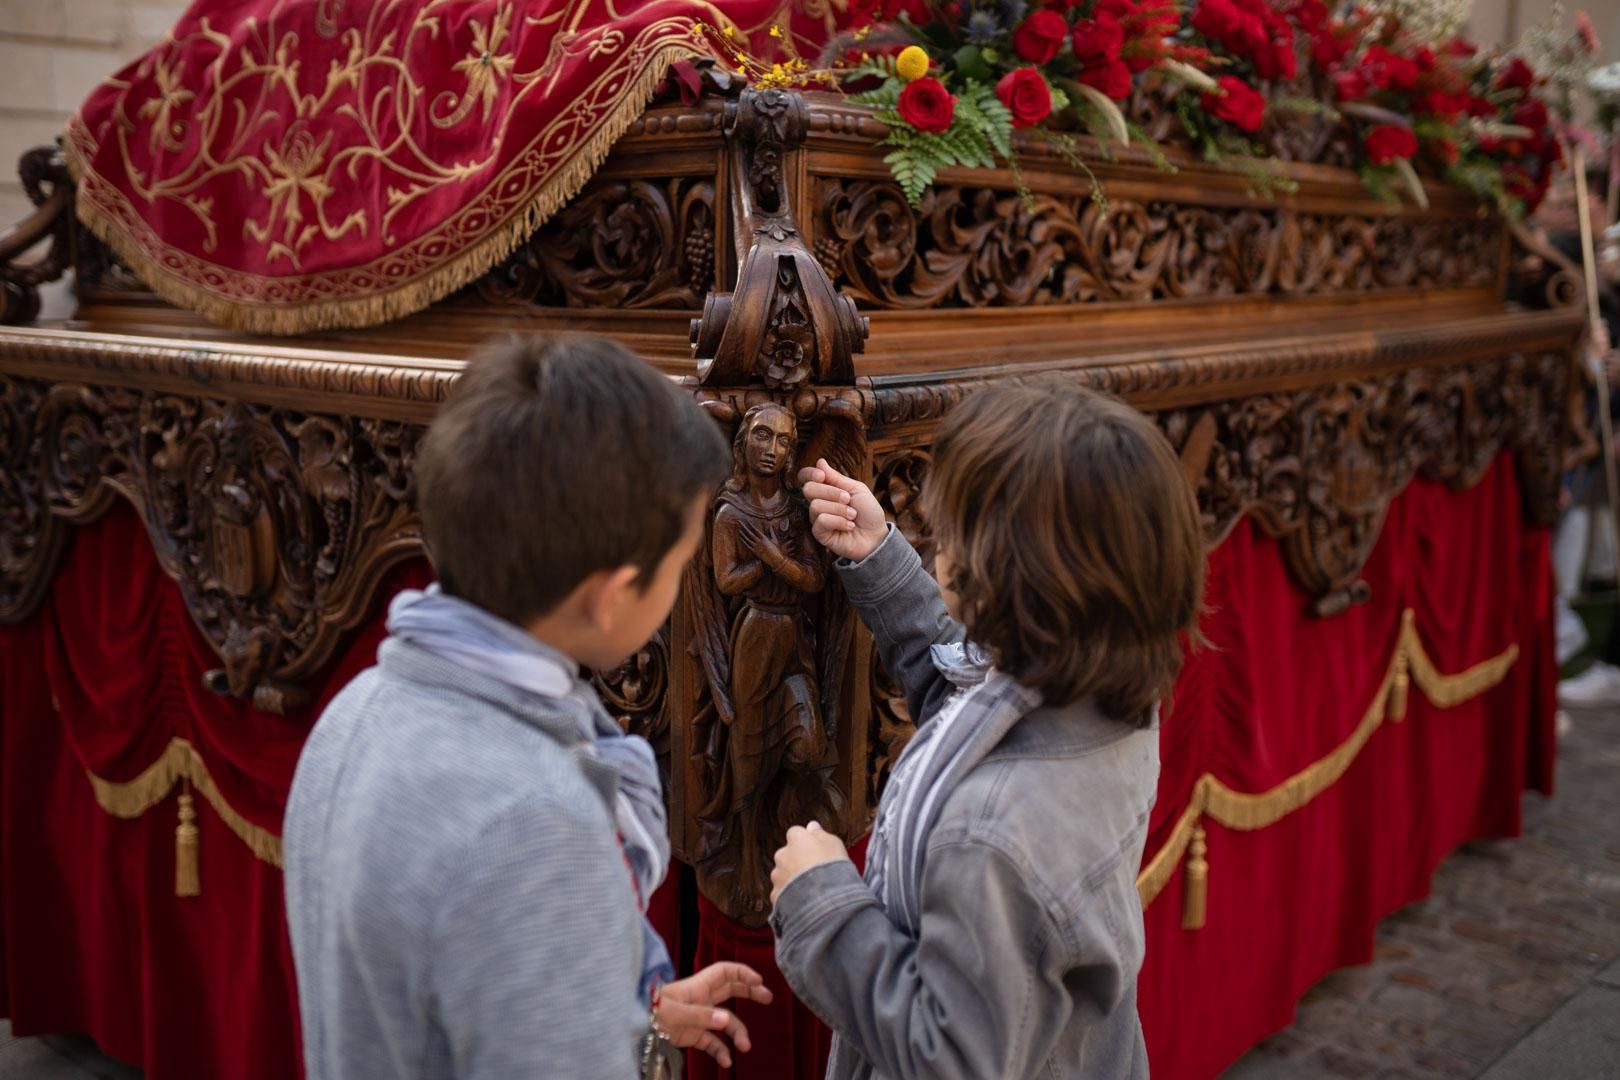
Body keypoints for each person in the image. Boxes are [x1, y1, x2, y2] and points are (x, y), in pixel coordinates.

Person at [283, 334, 772, 1080]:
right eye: (679, 566)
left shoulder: (360, 707)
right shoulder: (534, 820)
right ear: (610, 599)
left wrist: (610, 1007)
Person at [767, 380, 1205, 1079]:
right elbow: (966, 696)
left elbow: (949, 1056)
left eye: (945, 533)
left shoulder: (989, 838)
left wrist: (822, 900)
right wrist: (880, 556)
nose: (937, 543)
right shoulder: (1106, 699)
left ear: (988, 578)